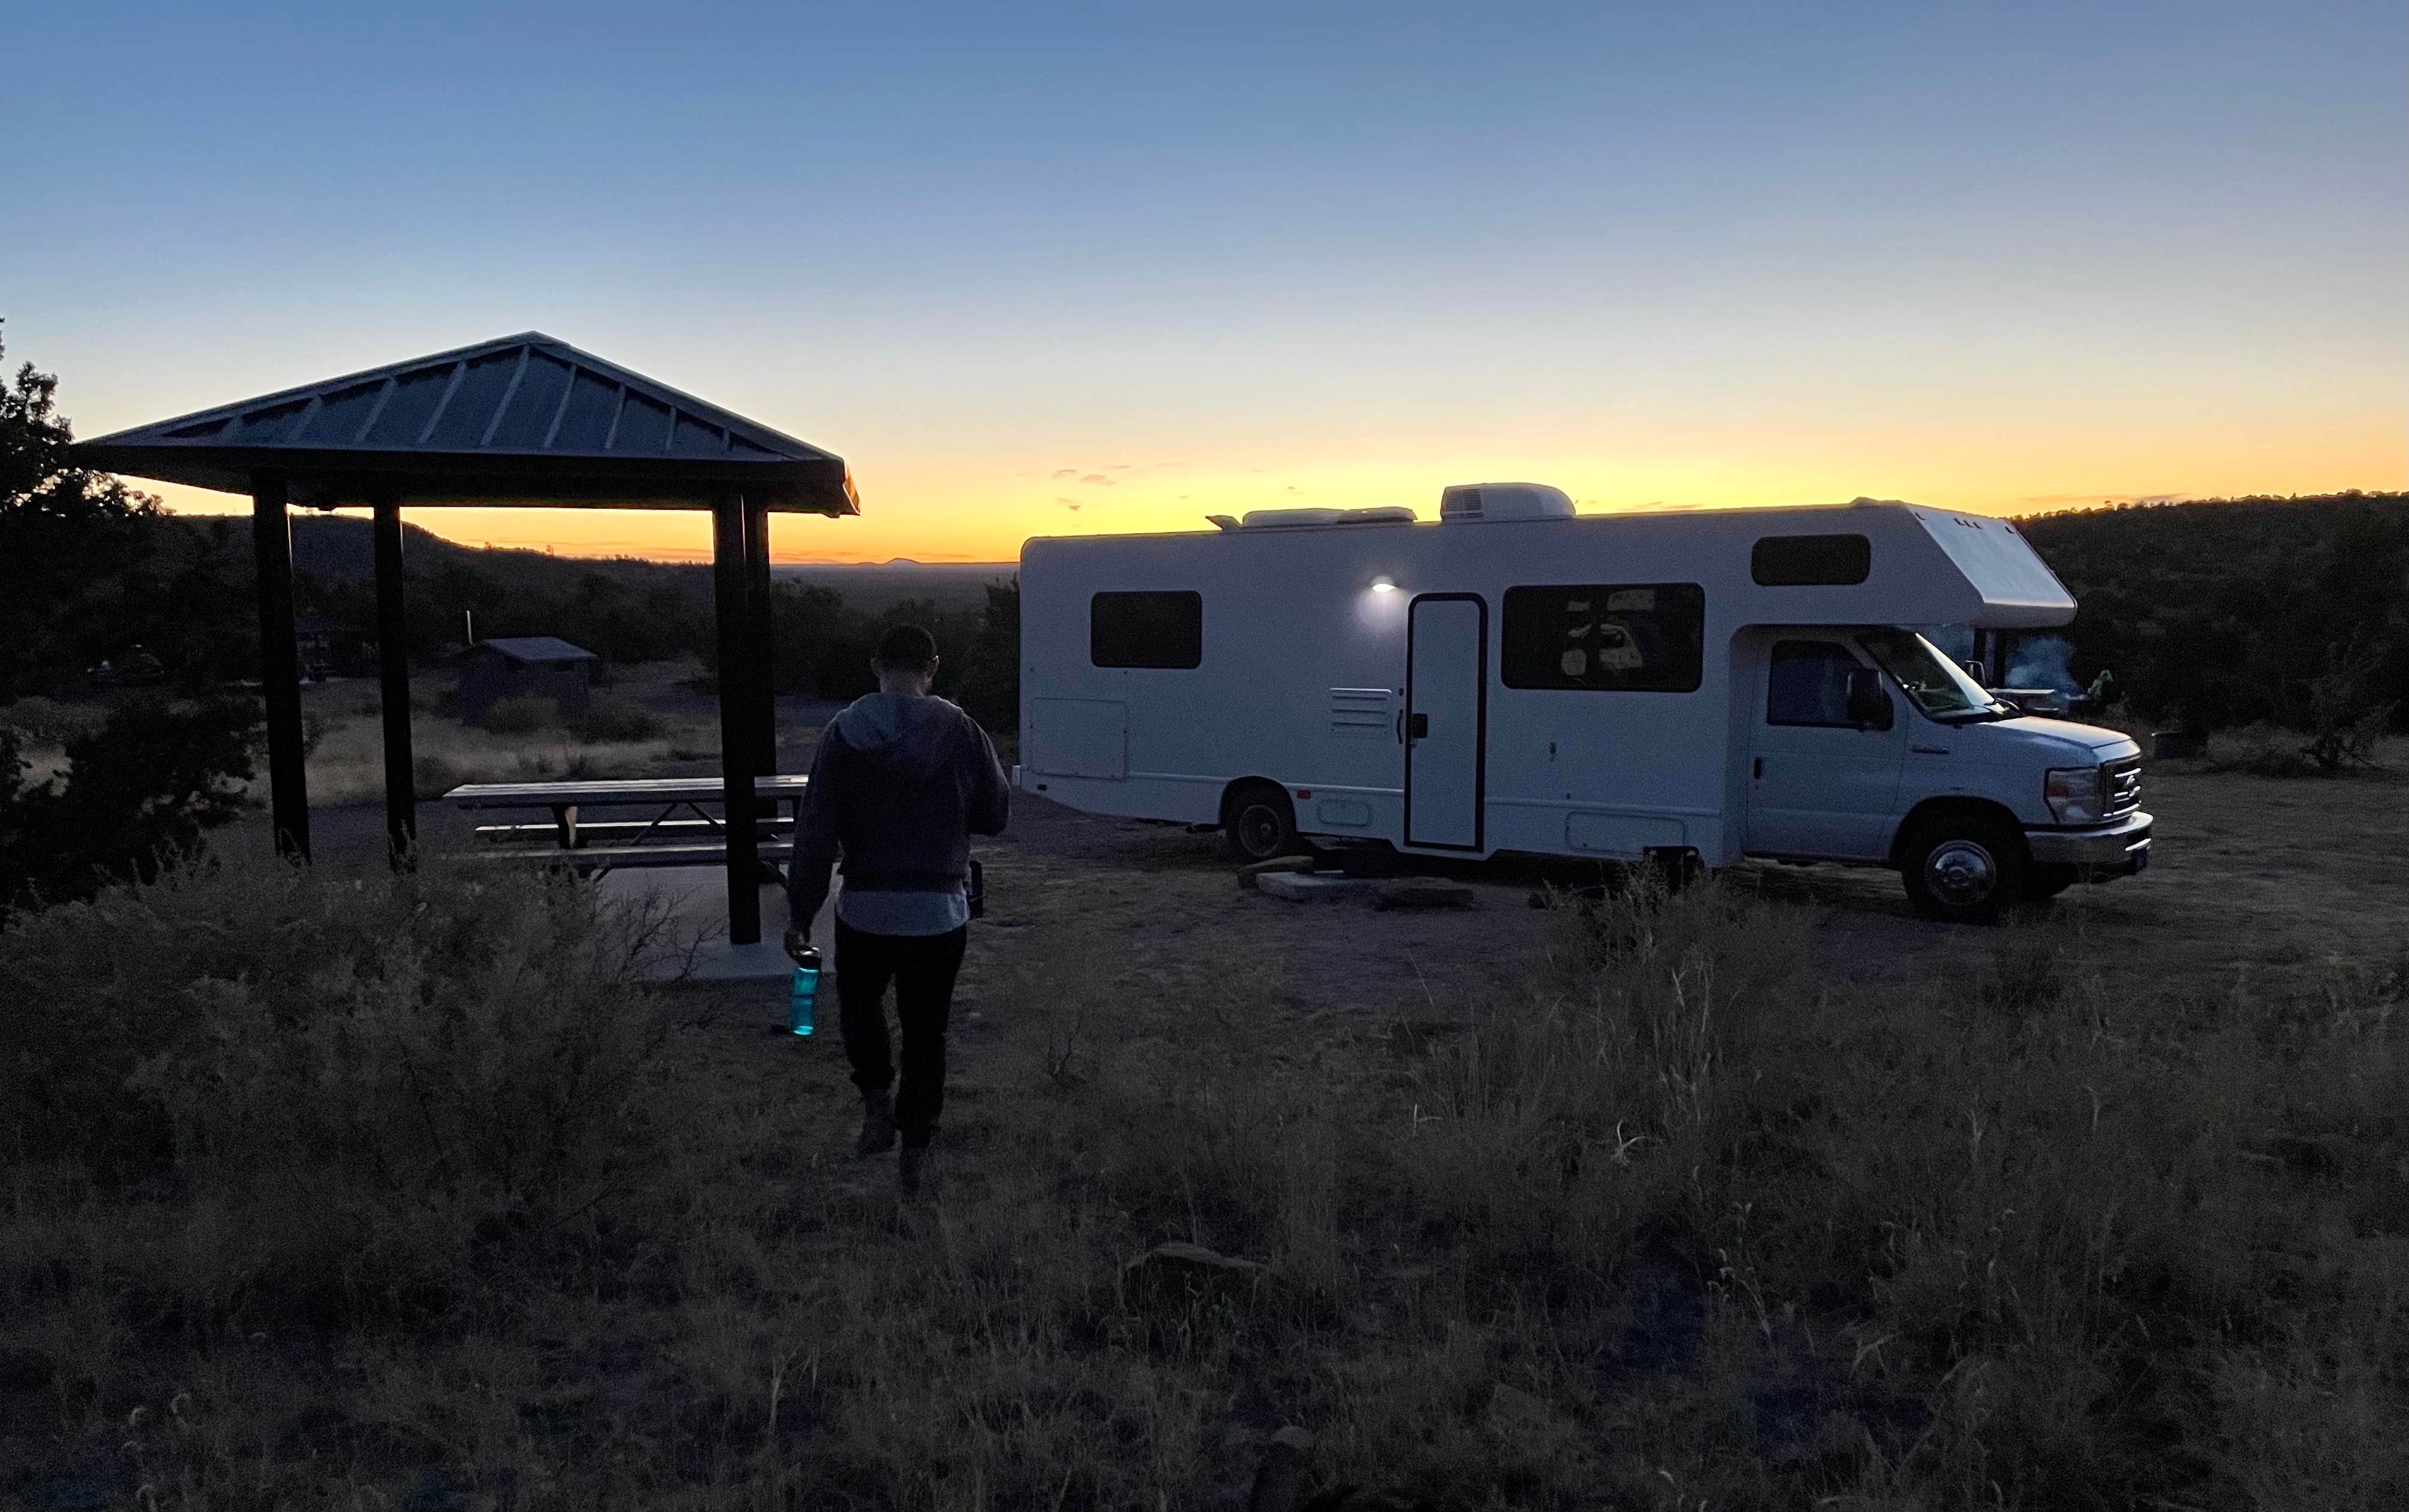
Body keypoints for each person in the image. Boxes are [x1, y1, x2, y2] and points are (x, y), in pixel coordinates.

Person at [783, 623, 1010, 1196]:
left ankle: (876, 1101)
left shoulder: (843, 732)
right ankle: (916, 1151)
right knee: (926, 1030)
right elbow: (996, 814)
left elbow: (815, 833)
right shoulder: (961, 729)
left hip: (865, 908)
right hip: (939, 911)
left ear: (874, 665)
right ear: (931, 667)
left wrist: (800, 913)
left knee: (860, 1010)